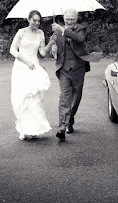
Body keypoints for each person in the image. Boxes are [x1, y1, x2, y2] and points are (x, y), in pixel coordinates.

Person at [48, 8, 92, 141]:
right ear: (64, 18)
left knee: (76, 97)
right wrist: (53, 49)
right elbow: (53, 51)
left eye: (72, 19)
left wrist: (63, 30)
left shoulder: (81, 29)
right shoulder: (57, 31)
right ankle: (62, 127)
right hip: (63, 69)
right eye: (67, 19)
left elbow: (79, 39)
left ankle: (70, 120)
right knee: (64, 97)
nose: (69, 21)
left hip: (78, 68)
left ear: (76, 19)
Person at [9, 10, 53, 140]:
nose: (37, 23)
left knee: (34, 99)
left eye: (39, 21)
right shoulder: (21, 32)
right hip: (21, 68)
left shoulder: (41, 33)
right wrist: (27, 61)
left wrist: (51, 42)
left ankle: (34, 129)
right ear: (28, 19)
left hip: (34, 68)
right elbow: (12, 50)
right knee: (21, 98)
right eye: (34, 20)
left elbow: (43, 53)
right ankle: (23, 129)